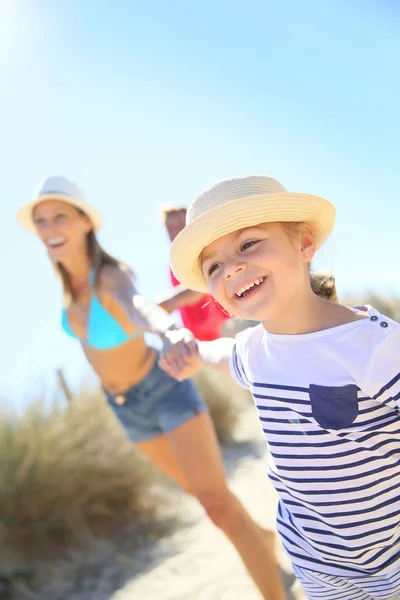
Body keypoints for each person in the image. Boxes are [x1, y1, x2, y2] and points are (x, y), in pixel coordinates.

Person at [16, 175, 286, 600]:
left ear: (86, 222)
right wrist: (173, 305)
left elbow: (139, 308)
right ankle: (262, 539)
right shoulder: (70, 292)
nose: (50, 228)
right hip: (125, 408)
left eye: (60, 217)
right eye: (42, 221)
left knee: (217, 507)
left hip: (162, 390)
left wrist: (169, 332)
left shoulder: (110, 276)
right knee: (208, 500)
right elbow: (150, 307)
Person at [162, 175, 400, 600]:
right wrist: (192, 349)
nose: (231, 266)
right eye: (213, 266)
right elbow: (220, 355)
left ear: (304, 243)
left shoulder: (373, 345)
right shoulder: (254, 350)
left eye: (248, 244)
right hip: (318, 564)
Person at [158, 205, 230, 340]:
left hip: (227, 329)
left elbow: (207, 282)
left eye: (180, 226)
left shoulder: (205, 251)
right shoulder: (174, 263)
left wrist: (173, 300)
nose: (176, 233)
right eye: (170, 229)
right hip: (199, 342)